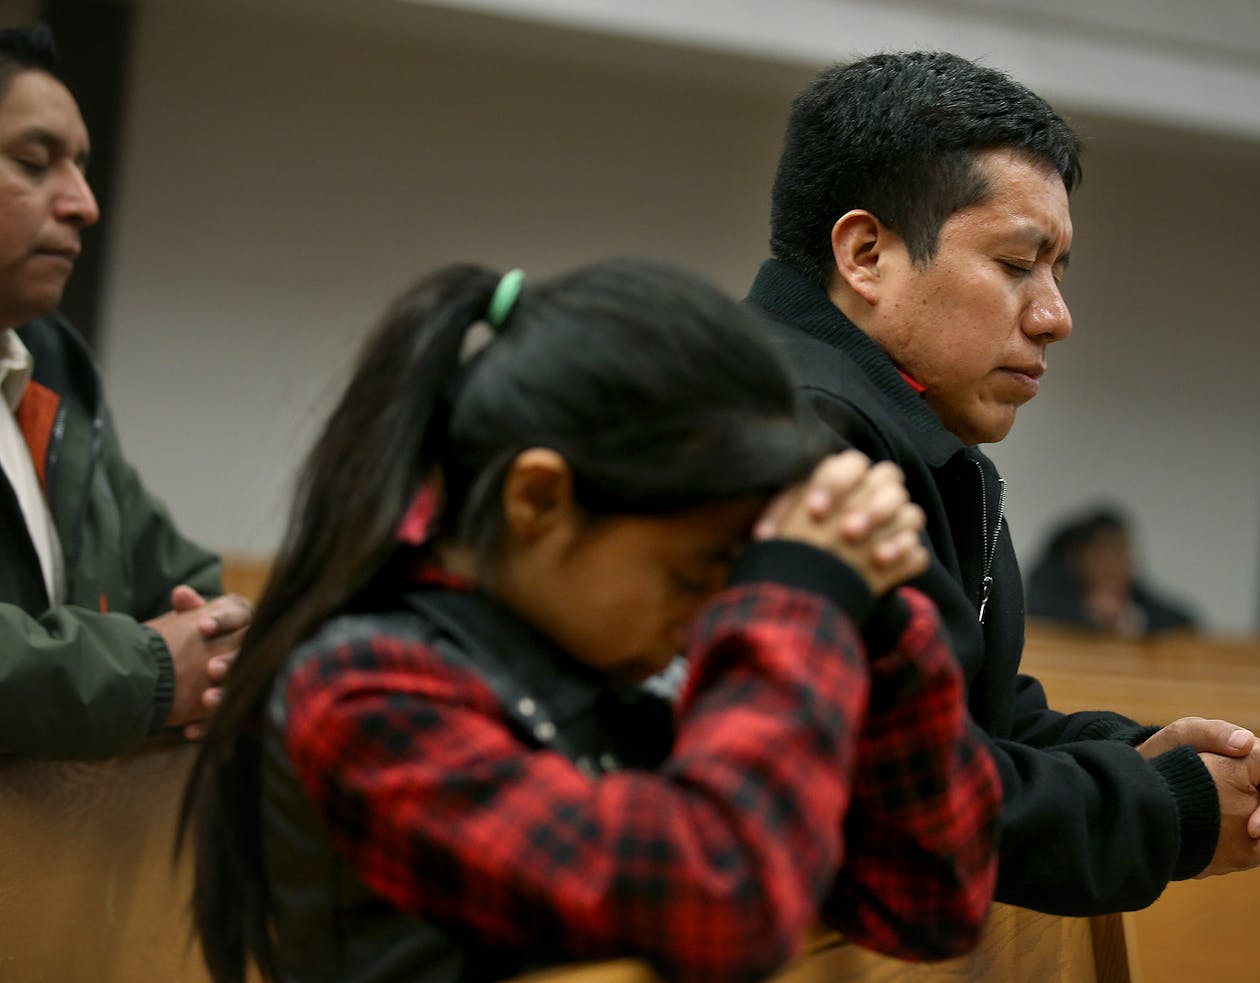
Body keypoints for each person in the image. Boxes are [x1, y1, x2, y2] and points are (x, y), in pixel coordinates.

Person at [180, 259, 1001, 983]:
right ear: (538, 499)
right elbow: (720, 901)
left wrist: (880, 615)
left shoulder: (599, 655)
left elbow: (925, 899)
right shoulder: (363, 691)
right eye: (688, 574)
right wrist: (799, 598)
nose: (702, 621)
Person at [747, 51, 1260, 916]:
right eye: (1019, 263)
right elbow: (881, 791)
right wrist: (1162, 809)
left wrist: (1138, 758)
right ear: (867, 254)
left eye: (1059, 270)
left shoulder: (881, 419)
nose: (1055, 315)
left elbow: (970, 712)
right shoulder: (803, 431)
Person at [0, 24, 248, 757]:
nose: (83, 203)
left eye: (81, 167)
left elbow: (183, 580)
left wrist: (230, 645)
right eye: (33, 163)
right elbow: (158, 665)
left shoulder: (49, 372)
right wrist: (151, 673)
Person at [1027, 504, 1199, 636]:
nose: (1115, 565)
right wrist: (1092, 616)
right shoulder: (1049, 582)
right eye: (1106, 552)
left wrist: (1130, 618)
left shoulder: (1133, 591)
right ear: (1080, 557)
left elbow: (1184, 620)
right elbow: (1038, 610)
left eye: (1123, 553)